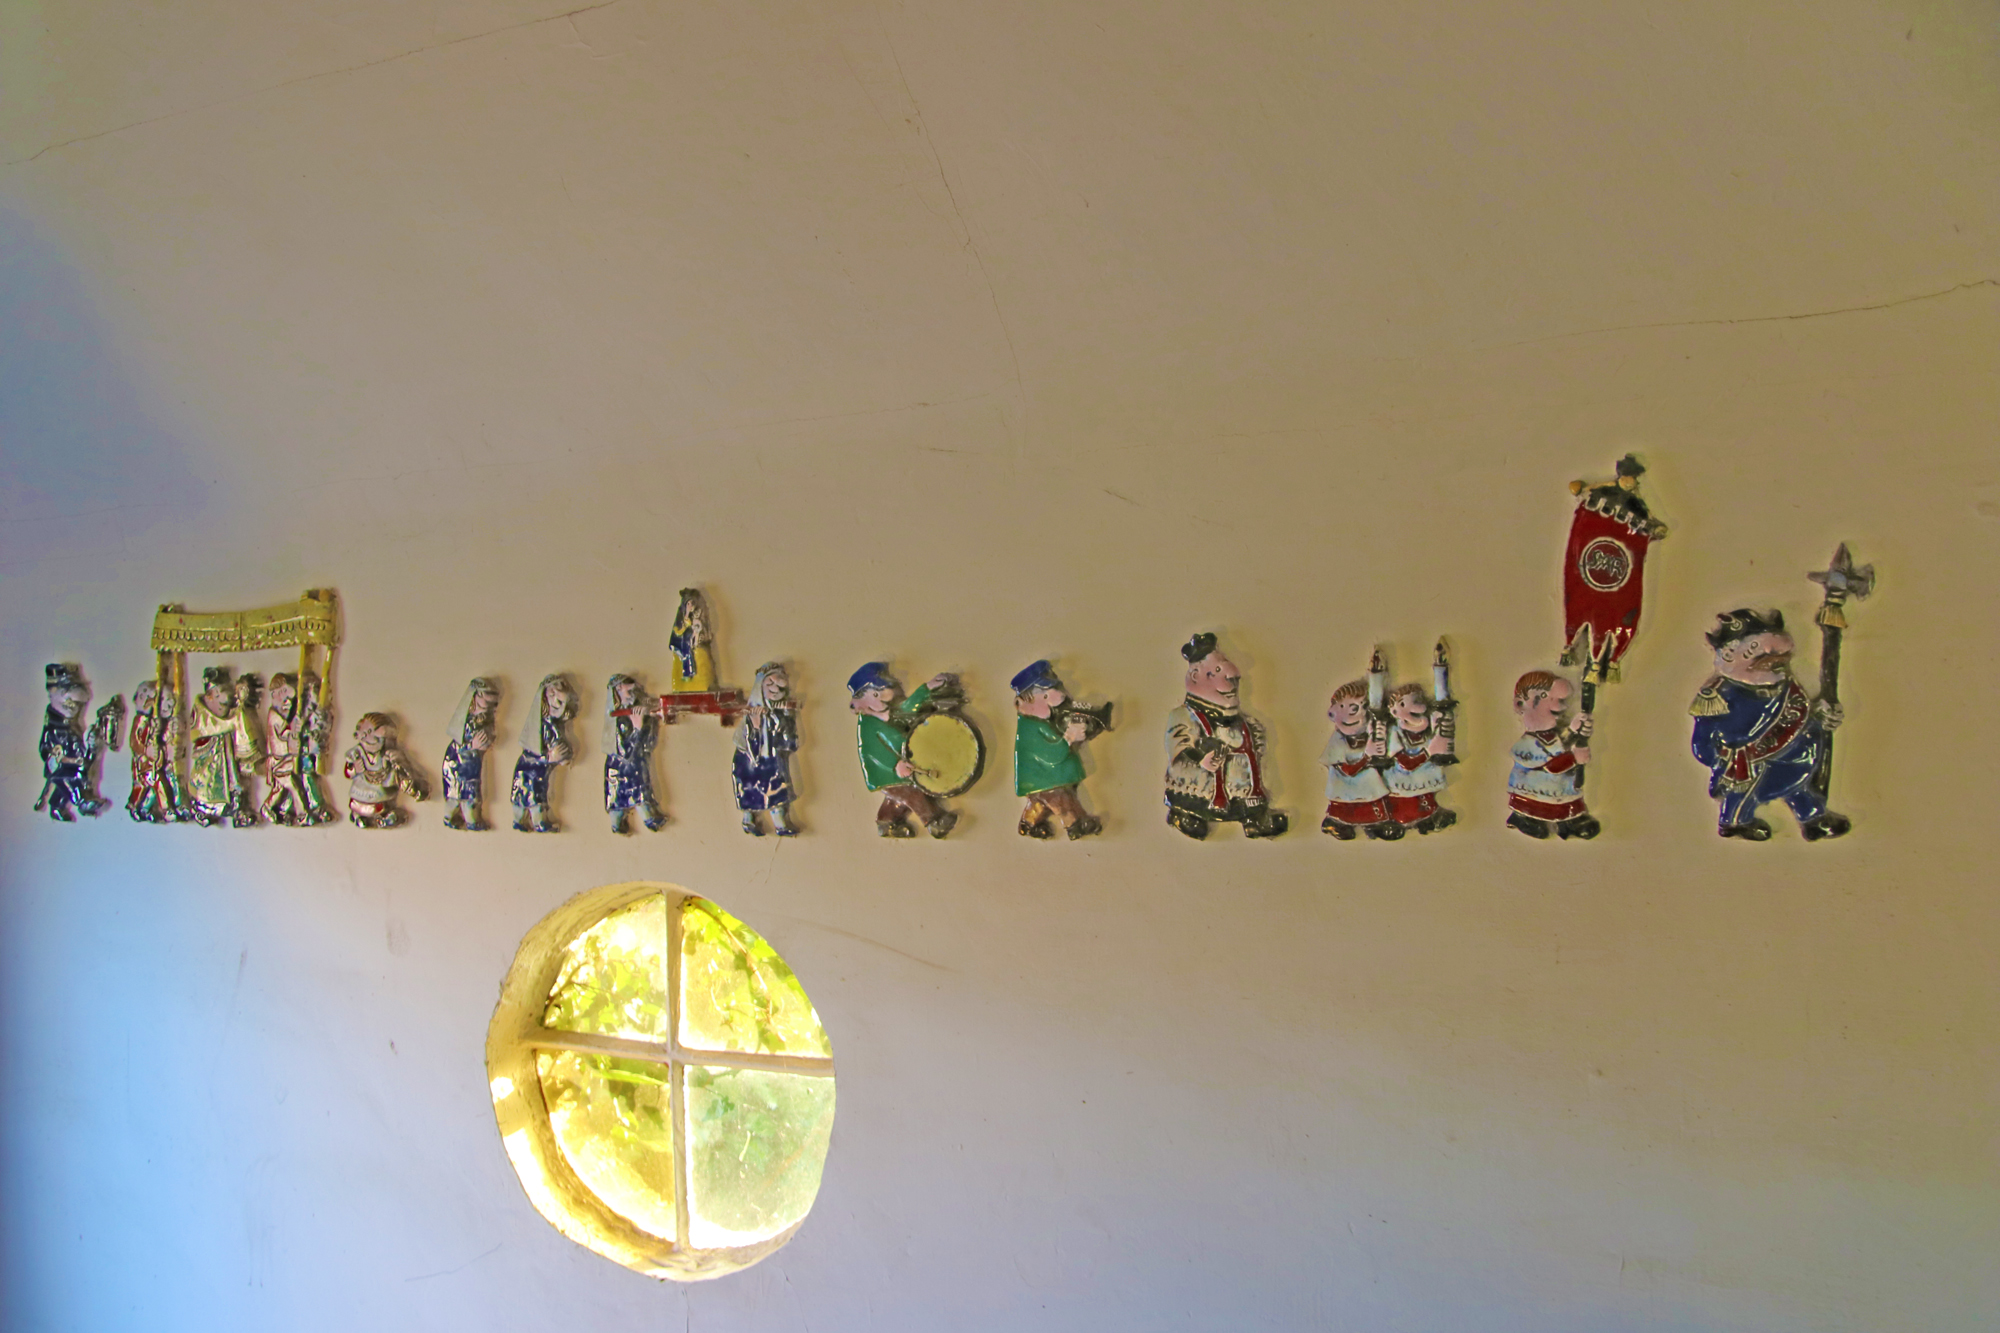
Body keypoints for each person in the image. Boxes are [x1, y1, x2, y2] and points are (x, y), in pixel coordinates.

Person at [1690, 608, 1849, 841]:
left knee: (1798, 786)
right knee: (1742, 792)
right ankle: (1735, 822)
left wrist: (1820, 716)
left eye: (1779, 658)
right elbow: (1702, 739)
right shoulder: (1718, 696)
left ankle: (1813, 818)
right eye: (1764, 657)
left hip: (1790, 756)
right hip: (1747, 764)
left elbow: (1799, 712)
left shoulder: (1784, 685)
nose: (1774, 664)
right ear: (1729, 654)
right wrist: (1717, 759)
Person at [1164, 633, 1286, 839]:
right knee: (1194, 796)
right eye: (1217, 671)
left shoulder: (1240, 719)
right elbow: (1178, 744)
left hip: (1238, 784)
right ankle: (1186, 815)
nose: (1232, 677)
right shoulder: (1183, 715)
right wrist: (1200, 758)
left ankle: (1254, 819)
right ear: (1196, 676)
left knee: (1244, 793)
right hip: (1201, 781)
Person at [849, 662, 958, 838]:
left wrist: (927, 688)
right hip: (885, 773)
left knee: (898, 798)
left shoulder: (886, 715)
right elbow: (873, 752)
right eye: (875, 694)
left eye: (881, 693)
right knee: (913, 793)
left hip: (898, 769)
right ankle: (934, 822)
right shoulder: (868, 724)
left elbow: (908, 709)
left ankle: (886, 823)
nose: (881, 699)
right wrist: (895, 765)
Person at [1011, 660, 1102, 840]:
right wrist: (1069, 738)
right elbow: (1050, 755)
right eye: (1044, 697)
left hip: (1045, 780)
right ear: (1020, 704)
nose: (1053, 701)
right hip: (1045, 780)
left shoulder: (1040, 723)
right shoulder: (1029, 730)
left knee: (1040, 804)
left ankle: (1029, 824)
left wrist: (1075, 735)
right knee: (1062, 801)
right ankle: (1075, 825)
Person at [1505, 671, 1599, 840]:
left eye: (1560, 701)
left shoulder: (1553, 736)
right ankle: (1524, 818)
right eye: (1544, 696)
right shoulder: (1527, 745)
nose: (1560, 707)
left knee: (1564, 800)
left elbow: (1558, 744)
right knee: (1537, 804)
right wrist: (1574, 758)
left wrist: (1575, 733)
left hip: (1560, 788)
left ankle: (1568, 822)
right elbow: (1551, 766)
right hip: (1534, 790)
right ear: (1520, 704)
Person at [1320, 679, 1398, 840]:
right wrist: (1367, 756)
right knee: (1345, 810)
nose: (1352, 715)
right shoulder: (1337, 742)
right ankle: (1336, 823)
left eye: (1361, 708)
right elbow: (1348, 770)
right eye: (1344, 707)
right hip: (1345, 789)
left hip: (1370, 786)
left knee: (1373, 806)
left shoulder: (1371, 736)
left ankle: (1374, 825)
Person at [187, 666, 261, 827]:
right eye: (220, 692)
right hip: (210, 758)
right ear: (210, 696)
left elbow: (234, 718)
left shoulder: (229, 711)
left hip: (225, 754)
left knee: (234, 782)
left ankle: (237, 810)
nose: (226, 697)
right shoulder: (200, 713)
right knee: (208, 784)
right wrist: (232, 722)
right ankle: (202, 810)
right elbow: (211, 727)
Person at [37, 663, 112, 821]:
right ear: (52, 694)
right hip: (60, 768)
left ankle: (57, 807)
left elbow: (80, 747)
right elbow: (44, 747)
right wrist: (52, 756)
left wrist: (90, 747)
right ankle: (81, 801)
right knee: (72, 781)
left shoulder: (72, 727)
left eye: (77, 704)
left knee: (67, 786)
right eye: (68, 700)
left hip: (73, 765)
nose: (73, 706)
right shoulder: (52, 728)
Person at [733, 662, 800, 836]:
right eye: (770, 684)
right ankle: (749, 820)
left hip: (771, 760)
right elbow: (745, 742)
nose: (775, 689)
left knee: (777, 790)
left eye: (780, 686)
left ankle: (780, 823)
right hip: (750, 761)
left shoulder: (780, 714)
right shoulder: (752, 714)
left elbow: (789, 743)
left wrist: (786, 718)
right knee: (750, 790)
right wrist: (756, 726)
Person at [262, 673, 336, 826]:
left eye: (287, 695)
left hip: (286, 759)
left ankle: (274, 809)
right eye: (281, 694)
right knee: (292, 786)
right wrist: (294, 731)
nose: (286, 701)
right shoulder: (274, 716)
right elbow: (283, 736)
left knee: (282, 789)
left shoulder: (289, 714)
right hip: (279, 761)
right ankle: (301, 813)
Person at [1384, 683, 1455, 834]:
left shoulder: (1429, 727)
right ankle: (1408, 822)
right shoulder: (1395, 732)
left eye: (1418, 700)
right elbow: (1406, 763)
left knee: (1427, 800)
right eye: (1403, 704)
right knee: (1408, 807)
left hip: (1425, 776)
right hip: (1404, 779)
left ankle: (1427, 819)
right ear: (1394, 712)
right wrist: (1429, 752)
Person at [603, 673, 668, 835]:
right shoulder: (616, 720)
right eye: (628, 690)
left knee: (642, 796)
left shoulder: (634, 712)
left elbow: (648, 743)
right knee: (620, 803)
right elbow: (625, 752)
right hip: (620, 769)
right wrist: (637, 727)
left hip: (637, 766)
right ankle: (621, 824)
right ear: (618, 690)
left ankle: (648, 818)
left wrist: (652, 720)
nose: (632, 694)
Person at [512, 673, 576, 832]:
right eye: (552, 697)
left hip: (541, 772)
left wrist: (563, 757)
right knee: (531, 799)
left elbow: (558, 744)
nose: (557, 704)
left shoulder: (554, 725)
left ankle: (531, 822)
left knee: (538, 796)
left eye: (561, 701)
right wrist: (549, 757)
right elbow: (530, 751)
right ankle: (532, 823)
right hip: (528, 771)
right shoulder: (539, 726)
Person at [344, 712, 428, 828]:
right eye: (364, 733)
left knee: (382, 803)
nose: (367, 738)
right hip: (361, 790)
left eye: (371, 733)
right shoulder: (356, 753)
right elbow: (348, 772)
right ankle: (360, 816)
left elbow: (397, 772)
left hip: (380, 794)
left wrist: (399, 763)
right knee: (358, 805)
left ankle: (384, 816)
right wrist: (355, 769)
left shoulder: (387, 755)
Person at [441, 677, 500, 830]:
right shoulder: (466, 721)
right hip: (458, 762)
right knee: (460, 794)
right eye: (483, 695)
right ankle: (460, 819)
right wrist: (471, 745)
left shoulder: (484, 720)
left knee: (469, 793)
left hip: (472, 762)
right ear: (475, 697)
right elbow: (458, 742)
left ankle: (467, 819)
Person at [668, 588, 718, 693]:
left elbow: (698, 628)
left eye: (692, 604)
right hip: (683, 641)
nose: (691, 606)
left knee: (695, 652)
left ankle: (691, 674)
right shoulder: (681, 617)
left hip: (691, 639)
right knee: (686, 652)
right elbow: (678, 630)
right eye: (689, 604)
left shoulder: (697, 616)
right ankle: (687, 674)